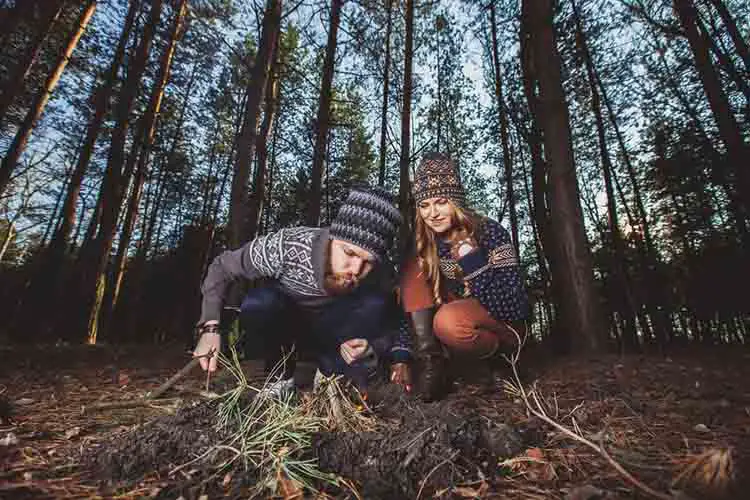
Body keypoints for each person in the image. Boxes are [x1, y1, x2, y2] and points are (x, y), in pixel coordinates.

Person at [193, 186, 411, 394]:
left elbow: (397, 322)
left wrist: (373, 348)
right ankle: (280, 375)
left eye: (368, 261)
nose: (355, 269)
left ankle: (331, 377)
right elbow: (222, 267)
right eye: (349, 253)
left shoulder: (380, 272)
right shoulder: (289, 246)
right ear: (333, 238)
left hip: (335, 334)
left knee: (376, 304)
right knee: (260, 302)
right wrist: (210, 327)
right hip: (290, 326)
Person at [394, 153, 529, 400]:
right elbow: (409, 306)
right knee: (412, 268)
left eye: (441, 202)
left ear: (455, 201)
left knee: (448, 322)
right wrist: (401, 352)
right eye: (424, 205)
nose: (432, 213)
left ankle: (503, 361)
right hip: (459, 316)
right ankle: (434, 365)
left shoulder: (489, 232)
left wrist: (472, 261)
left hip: (502, 324)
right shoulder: (427, 242)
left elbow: (513, 306)